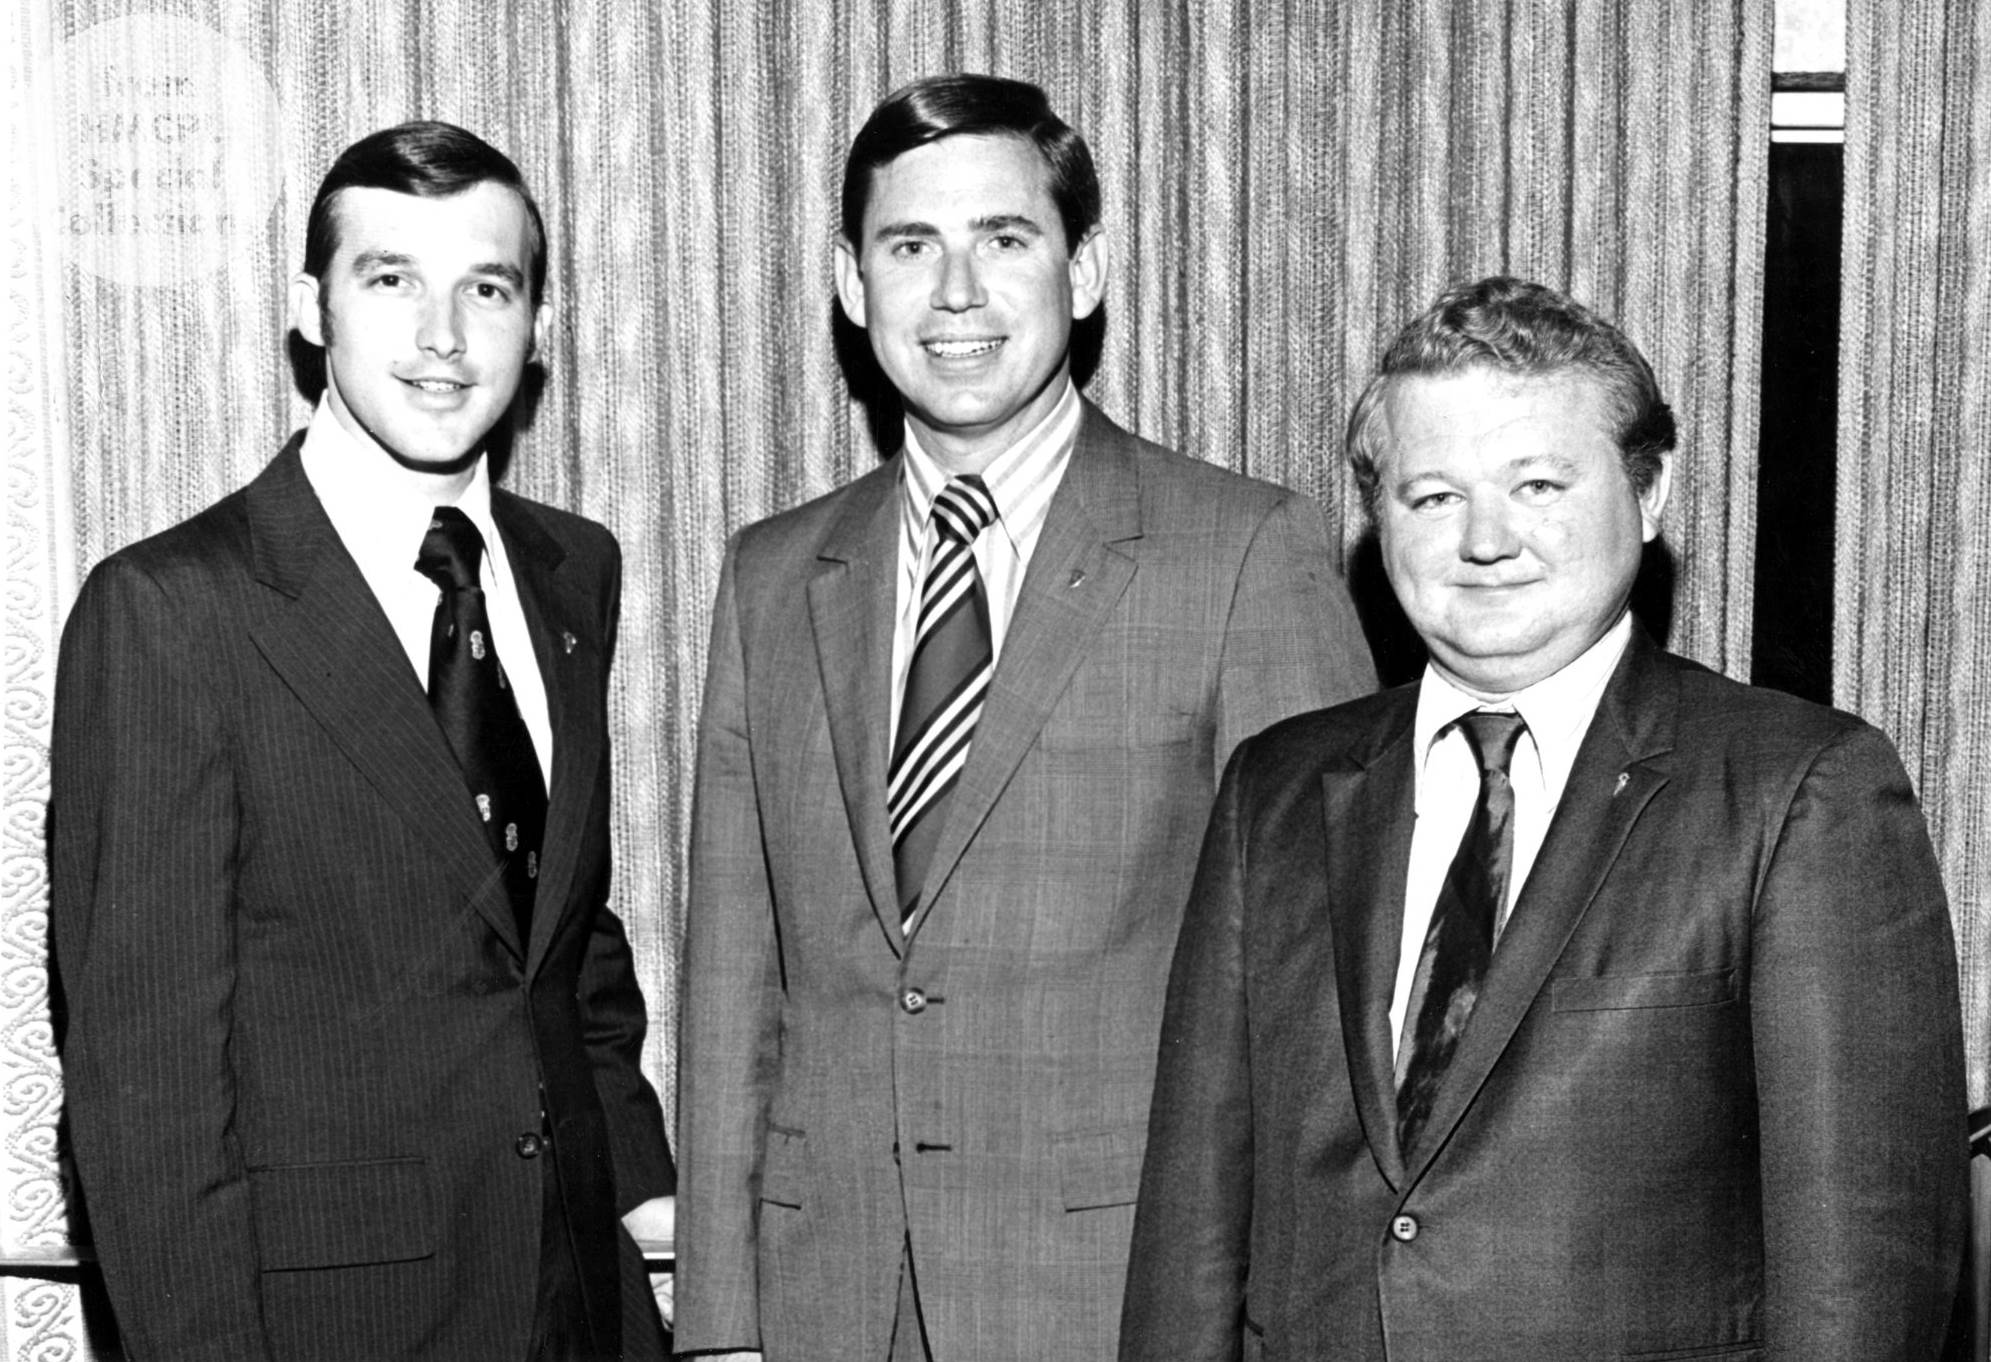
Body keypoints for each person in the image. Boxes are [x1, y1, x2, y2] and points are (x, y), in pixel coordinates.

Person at [1119, 275, 1970, 1360]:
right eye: (1433, 497)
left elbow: (1859, 1277)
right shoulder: (1274, 789)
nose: (1485, 540)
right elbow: (1191, 1235)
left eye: (1536, 485)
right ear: (1377, 520)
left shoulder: (1798, 790)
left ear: (1647, 494)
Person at [672, 74, 1374, 1362]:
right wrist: (720, 1323)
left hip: (1117, 1297)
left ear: (1082, 270)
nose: (955, 293)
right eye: (908, 247)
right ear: (849, 284)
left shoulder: (1240, 554)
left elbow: (1319, 995)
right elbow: (733, 974)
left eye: (1003, 239)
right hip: (828, 1300)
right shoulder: (771, 577)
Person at [51, 121, 674, 1361]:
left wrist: (642, 1194)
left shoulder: (573, 570)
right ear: (311, 310)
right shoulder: (173, 609)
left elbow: (562, 930)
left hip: (581, 1302)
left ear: (538, 326)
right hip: (330, 1320)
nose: (442, 337)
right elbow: (146, 1087)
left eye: (485, 289)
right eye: (390, 279)